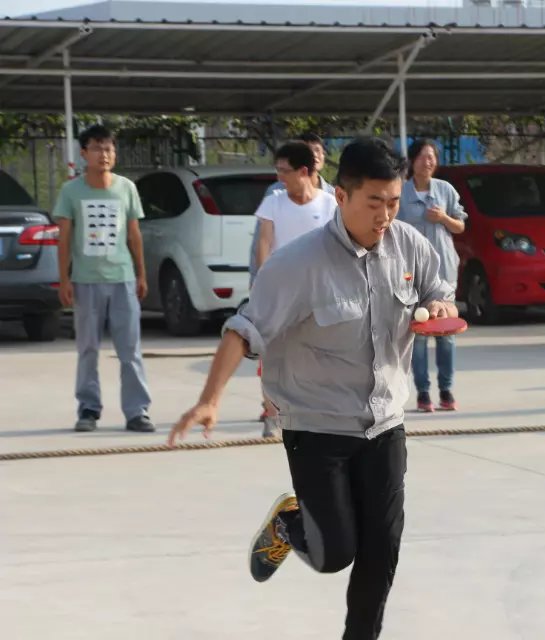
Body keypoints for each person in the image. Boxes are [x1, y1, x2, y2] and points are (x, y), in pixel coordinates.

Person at [168, 138, 457, 640]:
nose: (385, 215)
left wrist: (439, 309)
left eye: (393, 202)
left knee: (382, 549)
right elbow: (243, 330)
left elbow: (440, 293)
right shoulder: (297, 264)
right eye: (373, 202)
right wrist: (209, 400)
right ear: (341, 196)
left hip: (385, 422)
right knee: (334, 554)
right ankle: (289, 523)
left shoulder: (409, 244)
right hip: (317, 428)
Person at [53, 125, 153, 433]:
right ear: (84, 153)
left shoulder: (126, 188)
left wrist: (141, 273)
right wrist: (64, 279)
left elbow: (134, 234)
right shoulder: (71, 191)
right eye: (97, 148)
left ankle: (137, 411)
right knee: (88, 349)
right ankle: (88, 408)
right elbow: (64, 238)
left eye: (109, 148)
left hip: (123, 279)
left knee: (130, 350)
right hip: (85, 281)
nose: (104, 155)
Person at [254, 140, 338, 436]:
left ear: (303, 171)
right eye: (277, 170)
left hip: (318, 294)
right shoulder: (273, 202)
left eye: (284, 171)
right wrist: (265, 283)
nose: (279, 177)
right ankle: (272, 412)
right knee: (272, 354)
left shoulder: (329, 204)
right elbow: (264, 243)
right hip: (280, 293)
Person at [397, 139, 467, 412]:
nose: (428, 162)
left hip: (444, 270)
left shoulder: (445, 190)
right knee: (419, 333)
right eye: (423, 157)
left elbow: (460, 226)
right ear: (412, 160)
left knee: (446, 332)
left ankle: (446, 390)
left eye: (432, 157)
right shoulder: (401, 192)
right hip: (411, 272)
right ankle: (423, 393)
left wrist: (444, 219)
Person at [249, 132, 335, 285]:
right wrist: (259, 281)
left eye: (317, 150)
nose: (314, 155)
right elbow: (262, 243)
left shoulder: (332, 199)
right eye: (309, 150)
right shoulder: (273, 197)